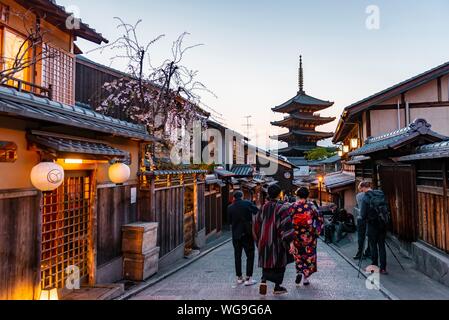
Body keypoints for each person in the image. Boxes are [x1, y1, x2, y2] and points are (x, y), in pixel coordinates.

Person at [253, 184, 295, 295]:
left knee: (266, 261)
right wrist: (291, 242)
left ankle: (263, 281)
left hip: (263, 239)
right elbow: (286, 226)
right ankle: (277, 287)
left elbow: (256, 224)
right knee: (280, 262)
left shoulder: (263, 208)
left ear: (268, 194)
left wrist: (258, 239)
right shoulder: (282, 208)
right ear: (279, 194)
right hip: (277, 240)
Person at [289, 187, 324, 286]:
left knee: (298, 254)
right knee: (309, 255)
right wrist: (317, 232)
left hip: (296, 235)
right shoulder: (311, 206)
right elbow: (320, 219)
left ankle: (299, 271)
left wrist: (290, 232)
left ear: (297, 195)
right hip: (309, 236)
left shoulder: (293, 206)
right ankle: (305, 278)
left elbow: (287, 220)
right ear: (307, 195)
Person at [227, 191, 259, 286]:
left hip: (236, 235)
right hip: (247, 233)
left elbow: (229, 221)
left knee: (237, 255)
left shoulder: (230, 207)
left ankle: (239, 278)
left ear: (234, 198)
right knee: (250, 255)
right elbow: (257, 211)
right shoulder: (247, 203)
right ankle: (248, 278)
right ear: (242, 196)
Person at [359, 184, 389, 275]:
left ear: (364, 187)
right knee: (382, 246)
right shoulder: (380, 194)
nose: (361, 192)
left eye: (361, 190)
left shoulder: (365, 198)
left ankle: (374, 266)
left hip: (372, 225)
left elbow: (363, 214)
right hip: (382, 224)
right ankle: (383, 268)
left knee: (373, 246)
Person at [354, 182, 371, 260]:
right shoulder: (373, 194)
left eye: (359, 189)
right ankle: (369, 252)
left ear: (362, 188)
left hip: (362, 218)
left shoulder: (359, 196)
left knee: (361, 237)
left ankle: (360, 253)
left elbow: (359, 206)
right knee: (371, 237)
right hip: (371, 218)